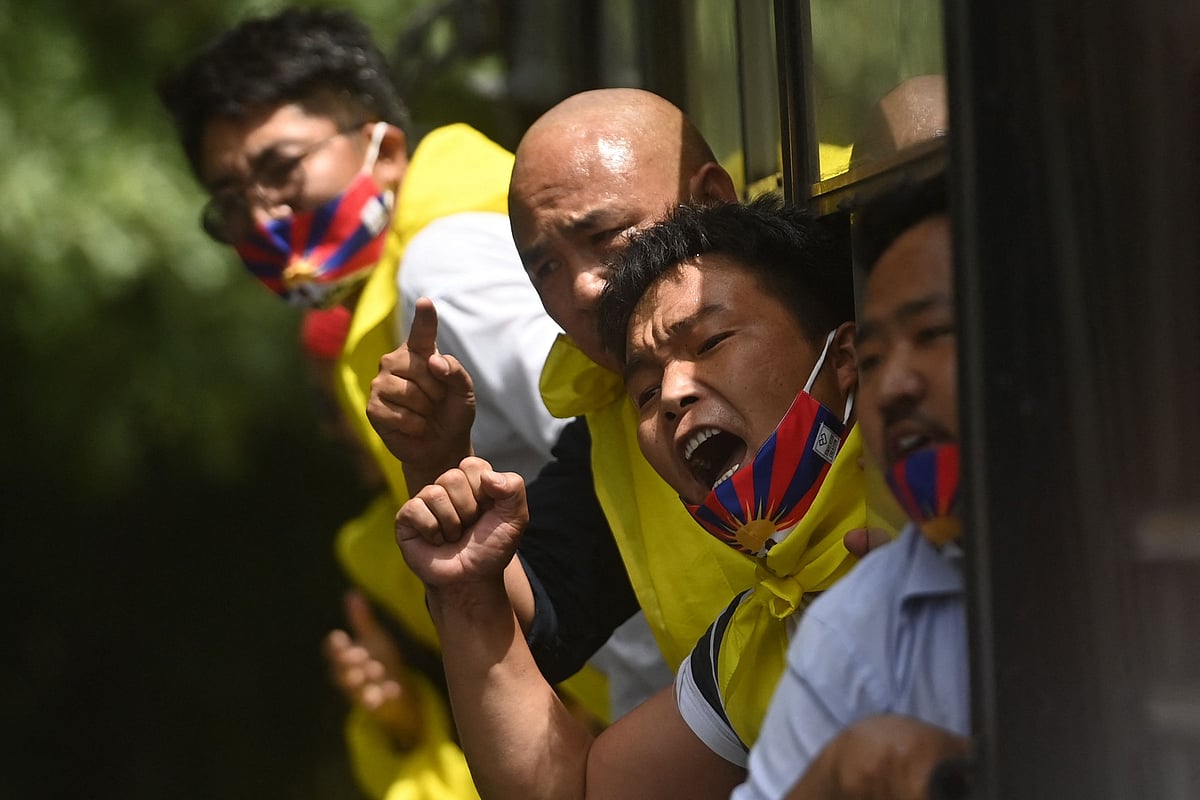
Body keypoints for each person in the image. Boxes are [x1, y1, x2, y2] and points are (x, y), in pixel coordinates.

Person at [157, 7, 580, 798]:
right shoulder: (405, 283)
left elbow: (633, 443)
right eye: (232, 199)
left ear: (383, 148)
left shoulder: (443, 267)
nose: (264, 215)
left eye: (281, 168)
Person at [369, 90, 892, 689]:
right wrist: (437, 465)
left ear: (713, 200)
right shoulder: (609, 432)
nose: (585, 289)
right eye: (545, 269)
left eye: (609, 237)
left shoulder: (863, 267)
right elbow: (541, 618)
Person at [394, 197, 902, 799]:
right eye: (644, 390)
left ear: (845, 358)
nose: (673, 395)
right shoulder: (756, 643)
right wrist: (465, 595)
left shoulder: (970, 521)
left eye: (711, 343)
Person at [733, 174, 972, 800]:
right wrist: (834, 775)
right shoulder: (858, 627)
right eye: (871, 361)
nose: (892, 388)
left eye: (933, 334)